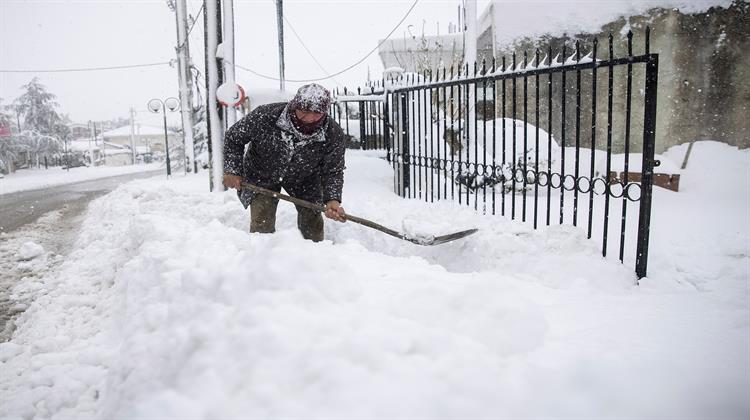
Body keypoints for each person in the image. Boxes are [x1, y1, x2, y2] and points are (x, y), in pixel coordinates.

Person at [222, 84, 346, 242]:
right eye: (305, 111)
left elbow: (333, 170)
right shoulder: (265, 116)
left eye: (316, 113)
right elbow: (234, 137)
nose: (309, 118)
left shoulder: (332, 133)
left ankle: (314, 258)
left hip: (305, 178)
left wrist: (332, 200)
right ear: (294, 106)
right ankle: (262, 257)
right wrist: (232, 170)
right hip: (261, 173)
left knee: (312, 224)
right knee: (262, 223)